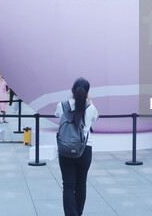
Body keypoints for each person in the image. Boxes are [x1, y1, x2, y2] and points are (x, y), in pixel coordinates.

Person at [55, 78, 99, 216]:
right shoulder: (90, 108)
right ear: (87, 92)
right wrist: (89, 101)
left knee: (68, 186)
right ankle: (78, 213)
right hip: (85, 150)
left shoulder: (61, 106)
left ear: (72, 90)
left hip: (65, 149)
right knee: (81, 184)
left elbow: (57, 115)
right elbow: (96, 117)